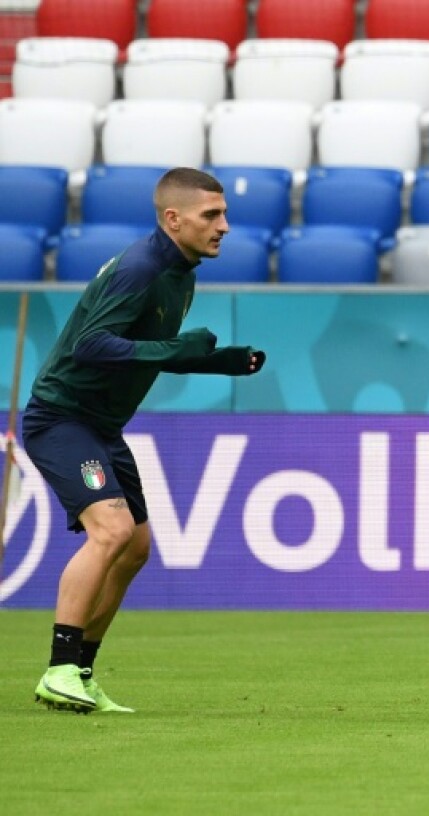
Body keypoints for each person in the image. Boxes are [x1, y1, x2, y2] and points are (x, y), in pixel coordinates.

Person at [24, 167, 266, 713]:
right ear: (172, 218)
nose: (224, 225)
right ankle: (59, 667)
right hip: (62, 419)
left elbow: (146, 349)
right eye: (212, 215)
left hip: (102, 427)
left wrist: (216, 361)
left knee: (135, 548)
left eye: (224, 213)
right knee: (110, 531)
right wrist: (178, 350)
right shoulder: (141, 267)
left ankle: (79, 673)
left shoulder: (182, 270)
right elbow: (92, 346)